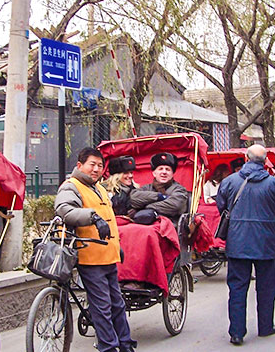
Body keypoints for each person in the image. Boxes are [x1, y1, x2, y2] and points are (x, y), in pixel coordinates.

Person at [55, 147, 135, 352]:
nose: (96, 169)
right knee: (102, 307)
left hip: (107, 254)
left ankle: (125, 343)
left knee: (117, 303)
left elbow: (109, 219)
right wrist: (91, 216)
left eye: (100, 166)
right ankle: (108, 347)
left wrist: (116, 246)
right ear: (79, 165)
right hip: (89, 256)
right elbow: (65, 210)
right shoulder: (71, 186)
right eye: (92, 164)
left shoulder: (98, 187)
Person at [216, 144, 275, 346]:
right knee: (267, 287)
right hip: (266, 242)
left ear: (246, 158)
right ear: (265, 161)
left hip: (238, 241)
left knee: (237, 287)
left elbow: (221, 206)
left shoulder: (229, 182)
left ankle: (236, 332)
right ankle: (266, 326)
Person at [130, 152, 189, 226]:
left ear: (172, 173)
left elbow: (175, 206)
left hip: (168, 226)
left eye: (167, 169)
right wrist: (159, 196)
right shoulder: (147, 188)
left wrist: (144, 207)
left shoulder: (179, 189)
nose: (164, 172)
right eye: (160, 169)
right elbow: (134, 197)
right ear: (154, 173)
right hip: (144, 224)